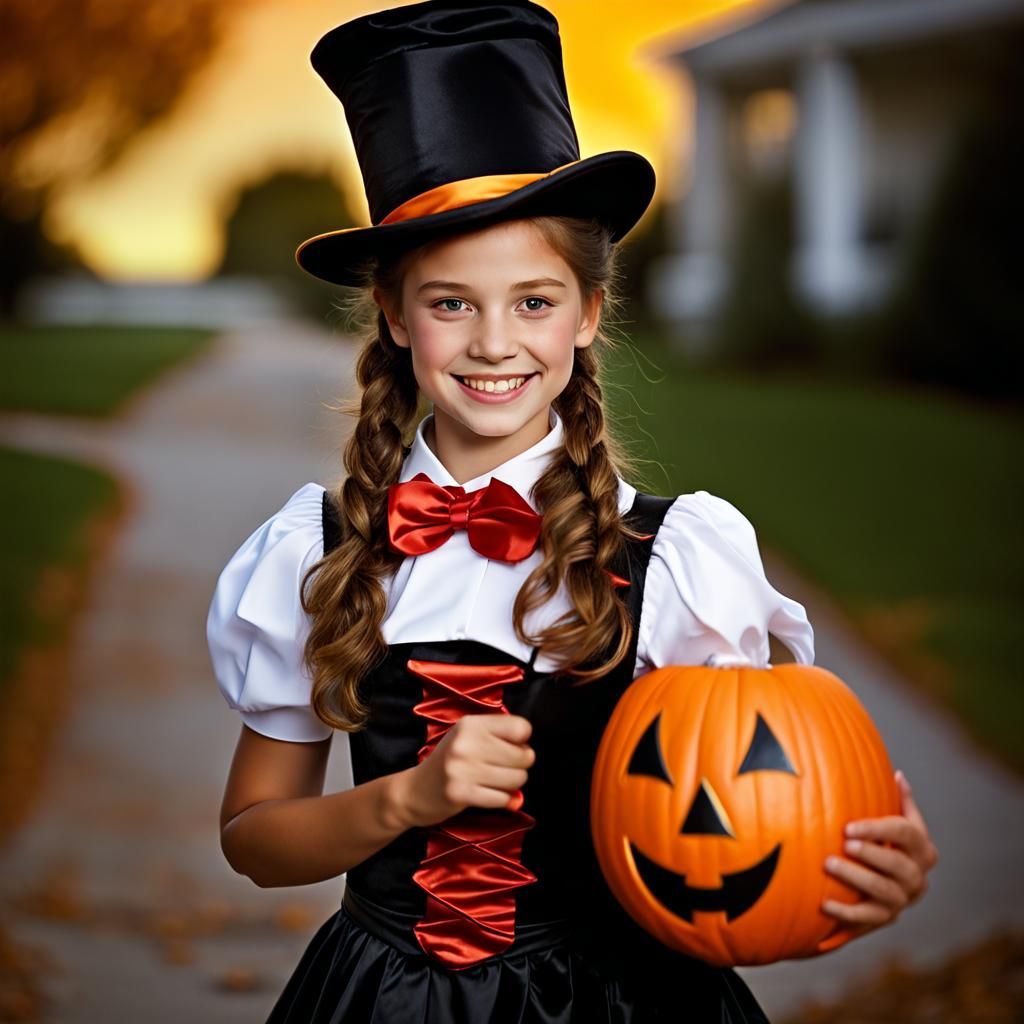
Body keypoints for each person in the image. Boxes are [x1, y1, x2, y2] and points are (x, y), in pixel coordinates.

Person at [205, 2, 939, 1021]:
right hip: (385, 998)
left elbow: (750, 826)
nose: (494, 341)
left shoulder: (676, 558)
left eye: (535, 301)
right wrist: (403, 799)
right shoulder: (313, 552)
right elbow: (254, 839)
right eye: (451, 301)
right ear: (393, 312)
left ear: (590, 311)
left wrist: (851, 880)